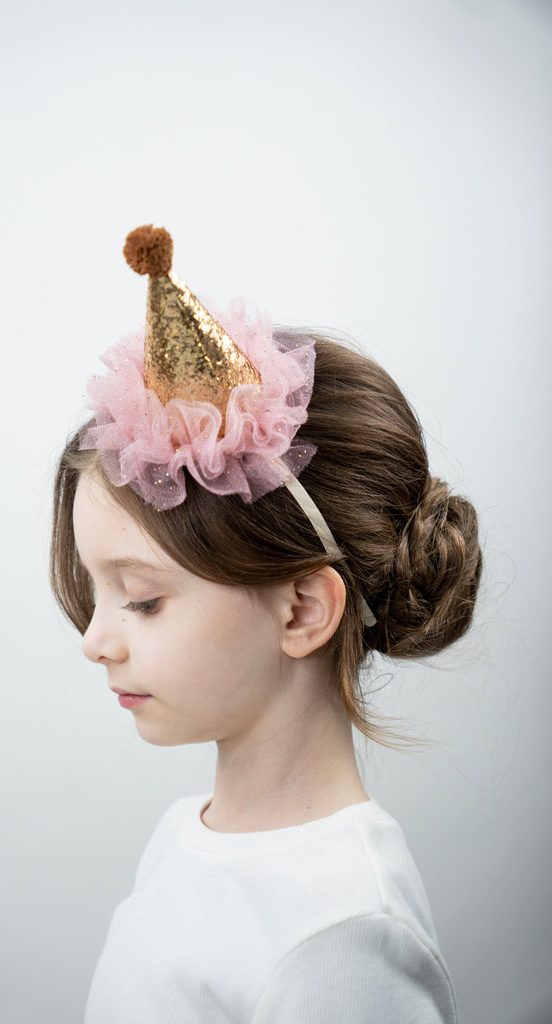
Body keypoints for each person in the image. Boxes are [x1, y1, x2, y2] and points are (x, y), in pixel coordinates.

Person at [50, 225, 481, 1023]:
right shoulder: (185, 836)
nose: (94, 641)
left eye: (141, 600)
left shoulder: (343, 935)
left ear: (302, 609)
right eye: (98, 593)